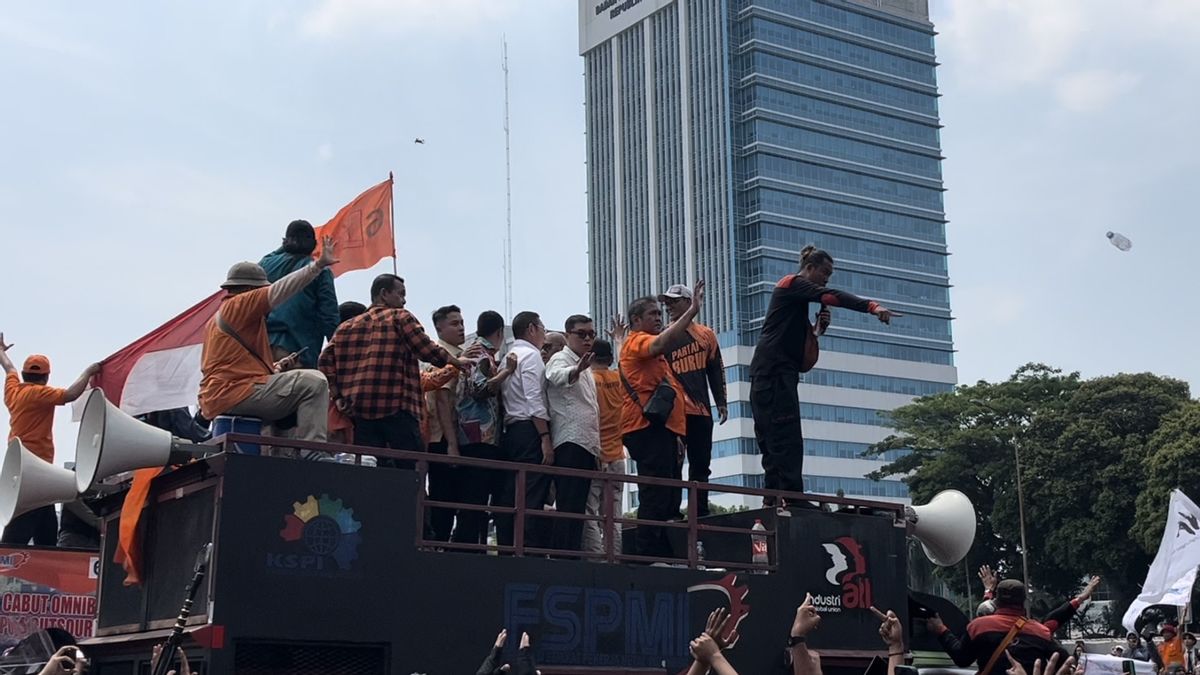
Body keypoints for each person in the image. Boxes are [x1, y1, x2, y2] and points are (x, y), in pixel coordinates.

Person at [749, 245, 900, 505]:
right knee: (786, 437)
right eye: (824, 272)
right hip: (774, 374)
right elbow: (832, 296)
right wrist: (871, 306)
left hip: (771, 374)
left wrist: (816, 331)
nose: (827, 278)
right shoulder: (791, 284)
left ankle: (773, 497)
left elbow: (800, 351)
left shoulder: (792, 301)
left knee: (774, 437)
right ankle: (792, 498)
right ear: (809, 268)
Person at [199, 239, 339, 450]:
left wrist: (279, 367)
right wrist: (317, 266)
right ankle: (314, 451)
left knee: (291, 389)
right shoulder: (239, 304)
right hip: (234, 393)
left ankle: (278, 458)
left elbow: (236, 370)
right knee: (315, 382)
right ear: (249, 289)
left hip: (224, 394)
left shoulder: (221, 320)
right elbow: (281, 290)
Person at [318, 274, 468, 465]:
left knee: (370, 469)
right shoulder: (400, 317)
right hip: (398, 409)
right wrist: (455, 361)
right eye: (401, 294)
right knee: (409, 471)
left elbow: (324, 361)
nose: (404, 300)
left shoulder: (345, 327)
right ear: (384, 294)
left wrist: (338, 396)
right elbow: (426, 349)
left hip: (361, 413)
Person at [620, 281, 704, 558]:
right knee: (655, 494)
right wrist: (689, 313)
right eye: (652, 314)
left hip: (663, 430)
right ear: (636, 320)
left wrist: (677, 435)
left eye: (659, 314)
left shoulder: (637, 344)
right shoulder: (638, 342)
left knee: (667, 497)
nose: (659, 318)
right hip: (646, 428)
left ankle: (661, 553)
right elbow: (662, 342)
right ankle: (648, 555)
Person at [1, 337, 99, 545]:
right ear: (46, 377)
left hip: (28, 472)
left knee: (45, 530)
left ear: (25, 374)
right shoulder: (40, 393)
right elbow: (71, 394)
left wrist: (1, 351)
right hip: (35, 471)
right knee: (18, 533)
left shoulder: (13, 392)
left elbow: (9, 368)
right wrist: (89, 372)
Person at [659, 283, 727, 519]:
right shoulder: (664, 336)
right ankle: (672, 511)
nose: (668, 306)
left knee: (701, 465)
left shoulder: (706, 334)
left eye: (673, 301)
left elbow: (715, 368)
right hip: (674, 411)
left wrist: (721, 401)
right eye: (666, 302)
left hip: (701, 410)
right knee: (673, 464)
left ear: (689, 303)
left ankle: (700, 512)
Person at [452, 311, 518, 548]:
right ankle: (465, 546)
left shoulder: (478, 352)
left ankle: (471, 546)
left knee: (477, 497)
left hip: (476, 435)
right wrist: (507, 371)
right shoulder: (481, 354)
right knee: (474, 497)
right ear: (500, 332)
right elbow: (480, 389)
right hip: (479, 435)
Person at [496, 311, 552, 549]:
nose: (544, 334)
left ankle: (509, 546)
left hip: (511, 430)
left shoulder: (507, 356)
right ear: (532, 328)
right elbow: (534, 398)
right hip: (530, 429)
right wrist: (545, 436)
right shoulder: (531, 355)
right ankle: (528, 548)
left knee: (512, 491)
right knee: (532, 492)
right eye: (543, 328)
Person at [930, 579, 1069, 675]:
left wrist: (941, 630)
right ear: (1024, 602)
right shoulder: (1041, 632)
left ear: (997, 602)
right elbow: (1066, 664)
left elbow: (962, 659)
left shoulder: (978, 627)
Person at [544, 315, 599, 552]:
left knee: (577, 508)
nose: (587, 338)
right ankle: (563, 558)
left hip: (585, 442)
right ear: (568, 336)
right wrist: (575, 369)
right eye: (581, 334)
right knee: (569, 505)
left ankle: (570, 556)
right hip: (570, 441)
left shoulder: (584, 363)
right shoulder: (561, 358)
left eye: (591, 334)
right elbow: (554, 376)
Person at [259, 219, 339, 369]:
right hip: (297, 351)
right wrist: (338, 352)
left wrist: (290, 241)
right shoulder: (321, 271)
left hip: (261, 350)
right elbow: (329, 316)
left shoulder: (265, 265)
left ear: (285, 241)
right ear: (314, 244)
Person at [424, 304, 468, 542]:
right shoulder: (443, 356)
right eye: (454, 323)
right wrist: (452, 444)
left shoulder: (453, 353)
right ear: (439, 328)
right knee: (444, 497)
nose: (461, 327)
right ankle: (438, 544)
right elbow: (442, 401)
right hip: (441, 436)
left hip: (443, 435)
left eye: (461, 322)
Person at [582, 337, 627, 557]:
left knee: (590, 513)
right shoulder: (619, 378)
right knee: (614, 516)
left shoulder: (588, 380)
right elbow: (626, 365)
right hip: (618, 455)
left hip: (596, 453)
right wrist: (620, 340)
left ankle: (595, 558)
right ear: (609, 358)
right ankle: (614, 557)